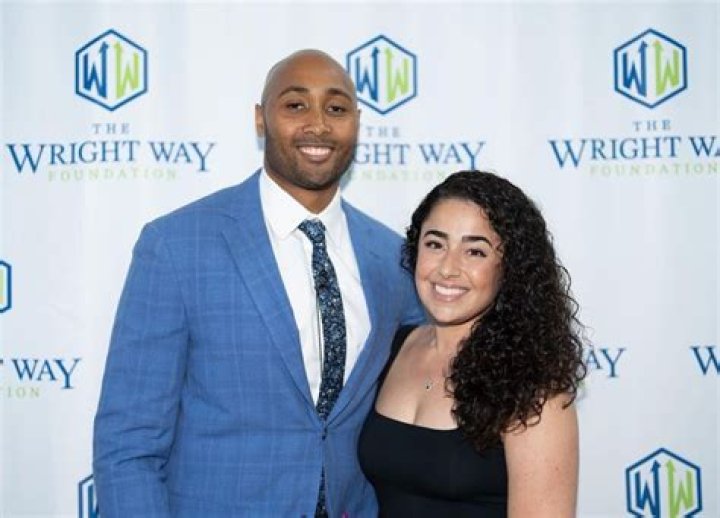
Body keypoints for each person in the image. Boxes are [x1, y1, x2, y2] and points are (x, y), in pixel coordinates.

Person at [93, 49, 424, 517]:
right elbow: (128, 444)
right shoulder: (177, 245)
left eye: (336, 108)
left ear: (357, 122)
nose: (318, 124)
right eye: (295, 105)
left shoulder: (394, 259)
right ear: (259, 118)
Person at [358, 170, 587, 517]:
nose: (448, 269)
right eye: (435, 244)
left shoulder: (532, 386)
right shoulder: (393, 346)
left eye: (475, 252)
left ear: (509, 267)